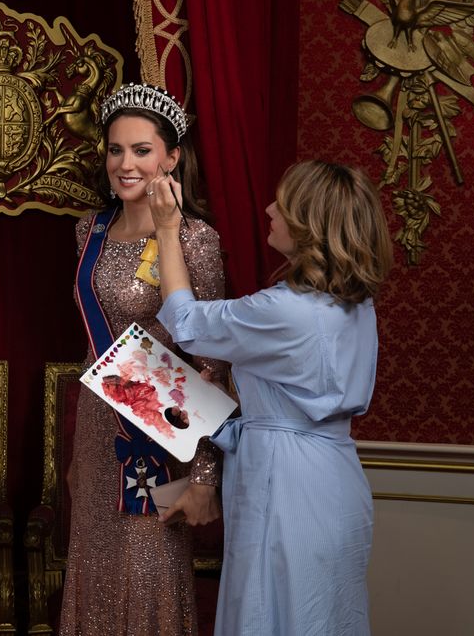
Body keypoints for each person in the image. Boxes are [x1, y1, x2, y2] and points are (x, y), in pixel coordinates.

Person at [150, 160, 393, 634]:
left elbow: (185, 323)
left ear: (309, 224)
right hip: (336, 478)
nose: (268, 210)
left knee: (268, 615)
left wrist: (166, 227)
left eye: (283, 204)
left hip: (287, 487)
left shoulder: (283, 311)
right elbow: (292, 408)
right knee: (324, 617)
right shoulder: (356, 306)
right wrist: (223, 411)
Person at [60, 82, 226, 635]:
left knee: (146, 564)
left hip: (159, 436)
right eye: (115, 150)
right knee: (97, 564)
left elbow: (213, 361)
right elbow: (94, 343)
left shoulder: (196, 239)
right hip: (97, 428)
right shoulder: (91, 231)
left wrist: (204, 471)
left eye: (141, 150)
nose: (125, 164)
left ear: (171, 158)